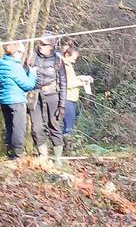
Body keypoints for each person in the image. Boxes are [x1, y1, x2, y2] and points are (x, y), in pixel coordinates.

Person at [30, 33, 67, 164]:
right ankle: (43, 155)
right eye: (40, 43)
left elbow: (63, 83)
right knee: (36, 127)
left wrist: (62, 105)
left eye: (44, 44)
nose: (40, 46)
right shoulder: (32, 56)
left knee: (54, 124)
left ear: (51, 46)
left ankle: (58, 158)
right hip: (35, 94)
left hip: (53, 95)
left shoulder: (58, 60)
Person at [0, 42, 37, 159]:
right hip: (16, 101)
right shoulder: (15, 67)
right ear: (15, 53)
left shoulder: (2, 64)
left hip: (4, 101)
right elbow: (28, 85)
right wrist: (32, 73)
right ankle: (18, 154)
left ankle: (9, 151)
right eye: (21, 52)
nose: (22, 55)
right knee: (18, 128)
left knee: (10, 126)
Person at [62, 46, 93, 150]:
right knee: (68, 126)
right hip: (67, 99)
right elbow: (66, 83)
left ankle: (68, 147)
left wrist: (81, 77)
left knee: (71, 124)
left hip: (72, 99)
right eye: (74, 58)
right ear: (67, 55)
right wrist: (81, 82)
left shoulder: (69, 65)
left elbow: (72, 79)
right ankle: (68, 149)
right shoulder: (63, 66)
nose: (75, 61)